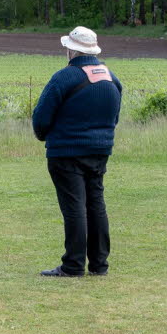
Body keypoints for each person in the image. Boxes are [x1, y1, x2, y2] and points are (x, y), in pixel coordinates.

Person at [32, 26, 122, 277]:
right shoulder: (111, 78)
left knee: (74, 208)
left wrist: (44, 136)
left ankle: (72, 265)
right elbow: (114, 116)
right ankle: (99, 264)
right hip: (100, 150)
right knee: (96, 205)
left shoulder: (64, 77)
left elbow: (41, 117)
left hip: (66, 152)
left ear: (71, 50)